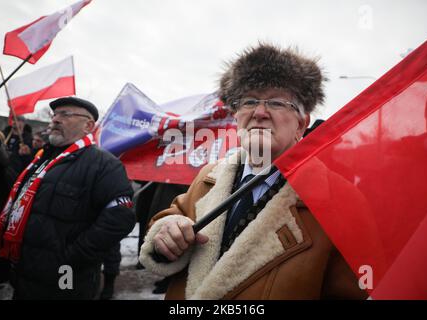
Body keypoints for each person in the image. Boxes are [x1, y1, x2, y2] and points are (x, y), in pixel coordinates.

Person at [140, 44, 368, 299]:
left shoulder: (340, 200)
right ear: (237, 117)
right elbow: (172, 217)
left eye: (277, 102)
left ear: (301, 124)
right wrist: (167, 231)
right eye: (249, 101)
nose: (259, 112)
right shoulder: (208, 178)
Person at [0, 97, 135, 299]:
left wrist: (70, 258)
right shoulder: (41, 159)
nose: (56, 119)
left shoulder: (104, 164)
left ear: (88, 125)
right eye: (55, 114)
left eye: (65, 114)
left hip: (65, 278)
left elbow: (120, 218)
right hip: (24, 275)